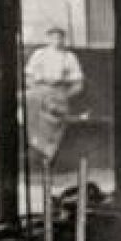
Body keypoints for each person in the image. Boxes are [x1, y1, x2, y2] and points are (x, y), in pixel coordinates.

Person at [25, 26, 84, 160]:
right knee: (28, 103)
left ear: (63, 39)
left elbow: (78, 85)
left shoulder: (69, 57)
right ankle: (34, 145)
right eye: (52, 37)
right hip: (38, 91)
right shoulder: (39, 54)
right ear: (47, 38)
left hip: (58, 92)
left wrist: (64, 95)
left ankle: (47, 152)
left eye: (59, 37)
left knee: (54, 113)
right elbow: (28, 78)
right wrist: (36, 89)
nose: (56, 40)